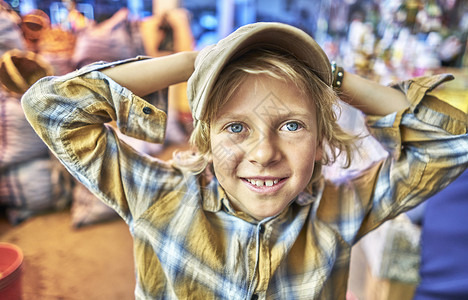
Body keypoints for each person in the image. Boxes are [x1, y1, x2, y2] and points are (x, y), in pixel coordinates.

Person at [21, 22, 467, 299]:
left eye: (292, 125)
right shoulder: (158, 196)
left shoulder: (340, 208)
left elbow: (453, 143)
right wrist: (195, 62)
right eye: (236, 127)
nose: (264, 153)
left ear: (321, 139)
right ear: (206, 140)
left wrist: (333, 77)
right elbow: (51, 106)